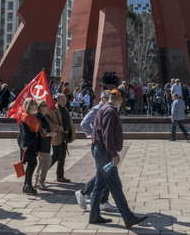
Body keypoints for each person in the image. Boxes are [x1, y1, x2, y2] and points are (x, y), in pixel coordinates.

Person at [88, 89, 148, 229]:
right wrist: (114, 153)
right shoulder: (110, 112)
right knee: (115, 185)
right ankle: (128, 218)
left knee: (99, 184)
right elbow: (107, 134)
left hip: (100, 152)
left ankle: (94, 215)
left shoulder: (104, 109)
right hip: (105, 153)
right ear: (120, 100)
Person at [76, 90, 117, 212]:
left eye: (111, 98)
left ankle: (103, 201)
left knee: (106, 172)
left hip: (105, 145)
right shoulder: (97, 109)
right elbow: (84, 123)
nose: (109, 100)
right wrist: (92, 134)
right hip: (98, 145)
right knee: (104, 172)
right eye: (107, 98)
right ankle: (83, 192)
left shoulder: (108, 109)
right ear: (102, 98)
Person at [48, 93, 75, 183]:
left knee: (62, 157)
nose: (64, 102)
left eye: (65, 100)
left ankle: (60, 176)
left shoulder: (65, 108)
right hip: (57, 136)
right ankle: (43, 171)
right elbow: (48, 122)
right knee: (56, 156)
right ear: (57, 100)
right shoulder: (53, 109)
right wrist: (57, 127)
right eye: (62, 100)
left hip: (65, 136)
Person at [18, 97, 42, 194]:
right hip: (28, 143)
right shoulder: (26, 116)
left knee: (32, 164)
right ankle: (27, 185)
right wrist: (24, 144)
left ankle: (27, 185)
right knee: (32, 163)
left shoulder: (32, 115)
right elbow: (24, 131)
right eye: (35, 104)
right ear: (30, 105)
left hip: (32, 142)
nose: (36, 105)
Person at [32, 99, 56, 190]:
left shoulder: (46, 116)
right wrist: (50, 134)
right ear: (40, 107)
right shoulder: (38, 118)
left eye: (47, 105)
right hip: (40, 143)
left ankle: (36, 181)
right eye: (45, 105)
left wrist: (51, 135)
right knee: (48, 160)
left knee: (41, 161)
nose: (47, 107)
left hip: (47, 142)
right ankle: (41, 181)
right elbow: (40, 132)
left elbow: (49, 127)